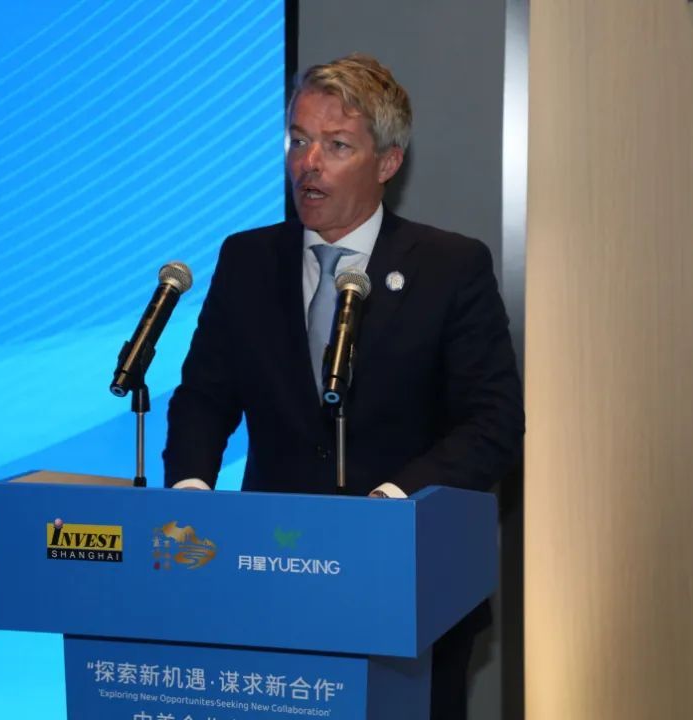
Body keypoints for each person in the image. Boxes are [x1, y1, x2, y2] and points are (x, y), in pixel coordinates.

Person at [163, 54, 524, 719]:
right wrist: (190, 494)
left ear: (388, 162)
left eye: (336, 146)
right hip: (268, 581)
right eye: (298, 140)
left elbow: (492, 423)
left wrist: (393, 502)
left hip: (410, 587)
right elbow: (205, 396)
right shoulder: (248, 259)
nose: (309, 164)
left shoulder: (450, 267)